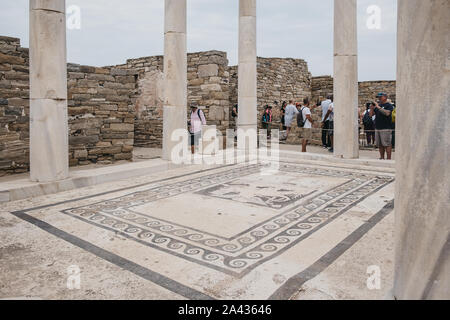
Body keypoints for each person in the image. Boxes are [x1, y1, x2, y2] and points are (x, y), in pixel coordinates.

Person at [370, 93, 394, 160]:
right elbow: (371, 115)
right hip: (377, 127)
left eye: (380, 97)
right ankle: (382, 157)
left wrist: (378, 106)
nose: (379, 98)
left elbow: (387, 113)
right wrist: (371, 108)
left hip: (386, 128)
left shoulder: (388, 105)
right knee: (380, 144)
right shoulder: (379, 105)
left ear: (385, 97)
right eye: (378, 97)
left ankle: (388, 158)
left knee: (387, 144)